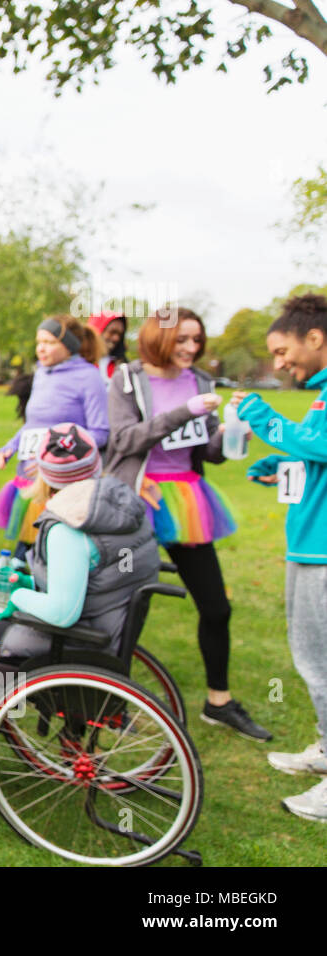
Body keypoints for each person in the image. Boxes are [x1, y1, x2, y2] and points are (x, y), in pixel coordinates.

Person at [0, 425, 157, 755]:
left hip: (70, 639)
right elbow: (91, 575)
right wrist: (26, 580)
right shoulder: (117, 505)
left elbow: (62, 612)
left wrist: (16, 595)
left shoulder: (68, 527)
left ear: (45, 474)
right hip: (105, 625)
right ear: (95, 465)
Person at [104, 308, 270, 741]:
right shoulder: (127, 378)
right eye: (182, 340)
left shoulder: (199, 380)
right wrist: (183, 412)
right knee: (126, 608)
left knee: (216, 606)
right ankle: (110, 704)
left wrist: (235, 433)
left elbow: (210, 450)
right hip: (138, 498)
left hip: (190, 501)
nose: (192, 349)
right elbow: (122, 440)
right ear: (159, 337)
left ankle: (219, 702)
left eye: (197, 340)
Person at [236, 293, 327, 821]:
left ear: (313, 338)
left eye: (282, 350)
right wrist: (284, 460)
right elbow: (316, 448)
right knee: (310, 655)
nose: (279, 364)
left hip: (323, 549)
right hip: (309, 545)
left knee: (321, 662)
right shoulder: (321, 395)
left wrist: (261, 418)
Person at [0, 314, 108, 546]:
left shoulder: (89, 377)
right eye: (38, 342)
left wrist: (53, 459)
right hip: (30, 480)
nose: (41, 349)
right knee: (28, 554)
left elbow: (100, 433)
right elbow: (33, 424)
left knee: (47, 552)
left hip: (63, 486)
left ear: (70, 345)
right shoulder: (42, 373)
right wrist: (10, 447)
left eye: (49, 343)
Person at [90, 312, 128, 381]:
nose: (116, 338)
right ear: (97, 330)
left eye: (120, 334)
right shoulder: (80, 364)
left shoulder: (123, 367)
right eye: (112, 332)